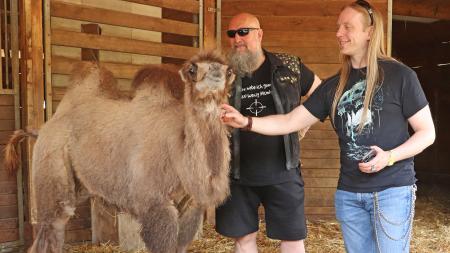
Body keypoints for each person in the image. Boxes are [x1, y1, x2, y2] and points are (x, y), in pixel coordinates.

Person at [220, 1, 436, 253]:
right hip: (350, 194)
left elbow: (427, 133)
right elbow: (291, 121)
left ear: (369, 32)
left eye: (347, 27)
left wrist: (389, 157)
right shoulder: (333, 86)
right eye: (337, 27)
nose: (338, 33)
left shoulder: (400, 76)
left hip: (392, 190)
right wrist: (246, 122)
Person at [215, 13, 321, 253]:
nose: (237, 39)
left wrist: (301, 125)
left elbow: (321, 93)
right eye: (231, 34)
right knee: (243, 239)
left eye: (244, 32)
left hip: (283, 170)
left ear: (259, 34)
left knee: (292, 239)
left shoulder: (289, 66)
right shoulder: (219, 74)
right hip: (236, 173)